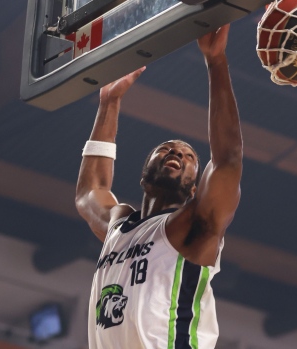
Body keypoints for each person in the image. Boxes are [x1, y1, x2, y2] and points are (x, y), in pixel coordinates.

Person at [75, 24, 242, 349]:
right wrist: (109, 103)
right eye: (166, 149)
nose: (176, 152)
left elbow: (228, 161)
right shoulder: (118, 226)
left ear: (195, 190)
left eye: (188, 156)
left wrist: (216, 61)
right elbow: (88, 192)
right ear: (144, 174)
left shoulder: (193, 228)